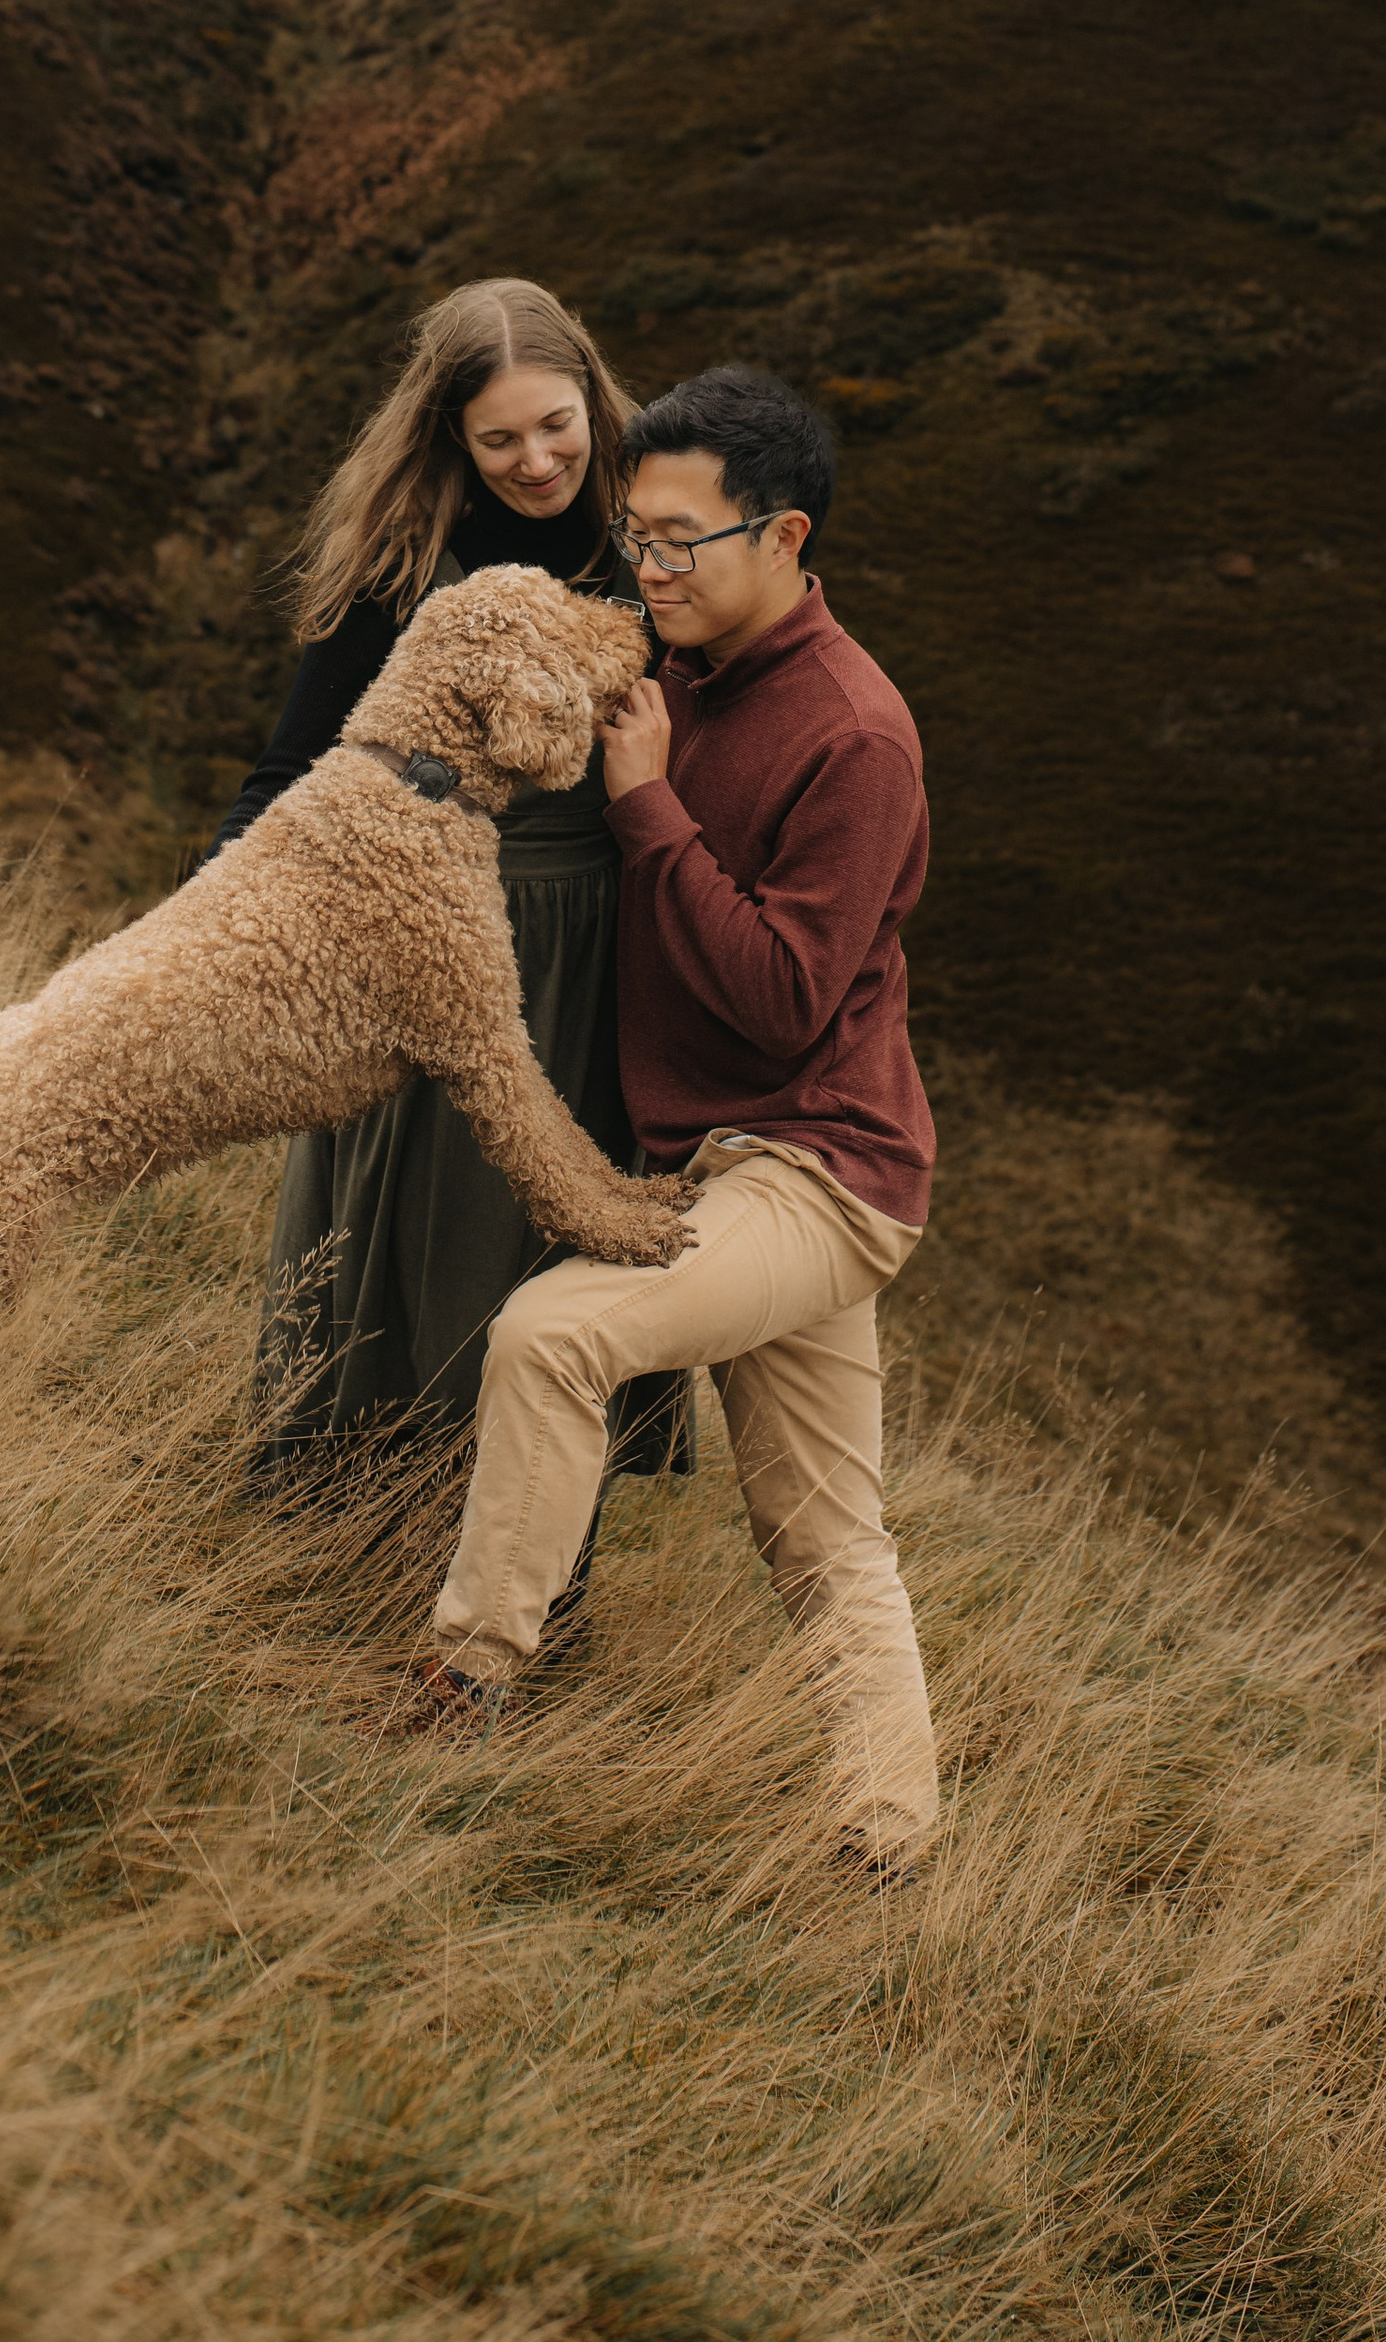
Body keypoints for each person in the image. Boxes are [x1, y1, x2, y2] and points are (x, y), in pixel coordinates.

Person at [403, 363, 942, 1881]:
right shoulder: (681, 670)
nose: (649, 569)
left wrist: (647, 804)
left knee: (549, 1336)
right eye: (637, 536)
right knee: (827, 1536)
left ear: (784, 537)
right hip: (720, 1160)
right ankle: (891, 1845)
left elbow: (781, 998)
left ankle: (464, 1689)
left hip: (813, 1174)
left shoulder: (855, 736)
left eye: (682, 541)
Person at [219, 278, 687, 1506]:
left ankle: (532, 1559)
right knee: (408, 1237)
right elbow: (296, 763)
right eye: (498, 438)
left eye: (556, 426)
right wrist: (213, 923)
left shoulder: (652, 540)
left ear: (593, 401)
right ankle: (350, 1529)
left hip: (599, 948)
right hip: (434, 930)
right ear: (450, 435)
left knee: (553, 1260)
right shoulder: (403, 560)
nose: (535, 461)